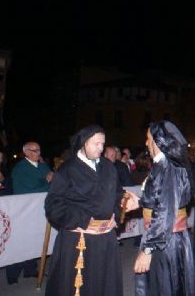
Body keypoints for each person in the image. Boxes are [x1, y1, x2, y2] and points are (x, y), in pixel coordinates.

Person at [44, 125, 139, 296]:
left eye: (103, 144)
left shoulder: (109, 167)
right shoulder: (68, 169)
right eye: (96, 144)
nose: (101, 148)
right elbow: (53, 205)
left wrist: (119, 210)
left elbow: (116, 194)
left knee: (104, 285)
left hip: (106, 239)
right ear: (83, 143)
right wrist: (83, 220)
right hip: (79, 239)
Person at [133, 120, 195, 295]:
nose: (146, 143)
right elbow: (161, 199)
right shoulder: (163, 165)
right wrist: (139, 201)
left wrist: (148, 249)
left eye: (148, 138)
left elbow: (166, 211)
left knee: (165, 288)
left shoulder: (168, 168)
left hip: (166, 242)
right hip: (166, 238)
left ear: (158, 140)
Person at [5, 141, 53, 284]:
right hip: (24, 209)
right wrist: (46, 181)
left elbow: (51, 181)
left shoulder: (43, 166)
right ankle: (12, 273)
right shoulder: (20, 168)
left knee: (35, 239)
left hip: (40, 208)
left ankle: (30, 269)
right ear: (26, 152)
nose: (38, 153)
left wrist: (50, 180)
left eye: (39, 150)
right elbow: (30, 187)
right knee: (21, 241)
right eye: (34, 150)